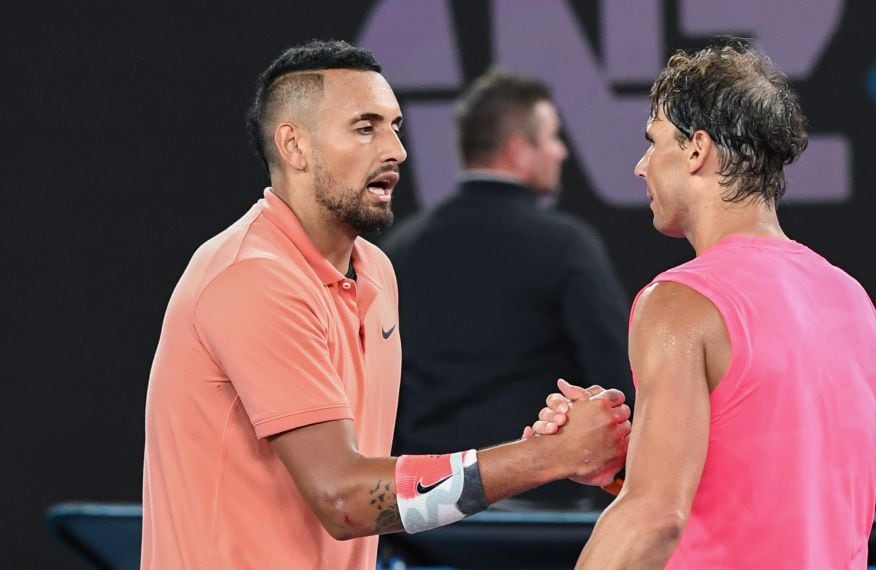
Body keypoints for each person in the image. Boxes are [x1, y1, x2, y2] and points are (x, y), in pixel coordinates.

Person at [140, 40, 631, 570]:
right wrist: (546, 457)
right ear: (294, 147)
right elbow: (343, 499)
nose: (396, 149)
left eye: (395, 126)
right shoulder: (253, 277)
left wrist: (555, 451)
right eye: (365, 127)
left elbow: (373, 474)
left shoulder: (376, 270)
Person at [532, 38, 876, 568]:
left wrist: (641, 496)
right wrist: (617, 471)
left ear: (697, 149)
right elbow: (778, 491)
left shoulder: (679, 303)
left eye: (654, 142)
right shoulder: (853, 299)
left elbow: (654, 518)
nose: (641, 167)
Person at [380, 68, 633, 509]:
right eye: (552, 137)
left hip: (427, 515)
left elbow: (380, 390)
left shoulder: (397, 252)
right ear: (518, 150)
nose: (562, 152)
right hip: (541, 515)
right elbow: (616, 376)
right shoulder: (565, 246)